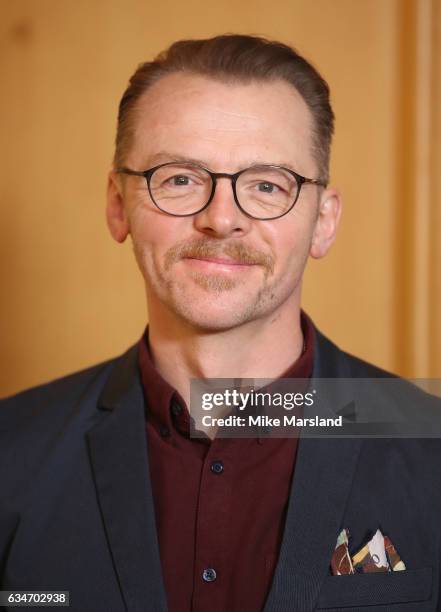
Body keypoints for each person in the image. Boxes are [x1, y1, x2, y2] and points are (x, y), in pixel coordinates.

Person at [0, 34, 440, 612]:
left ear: (324, 221)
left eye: (266, 185)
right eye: (180, 178)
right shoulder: (10, 451)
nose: (221, 218)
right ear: (117, 203)